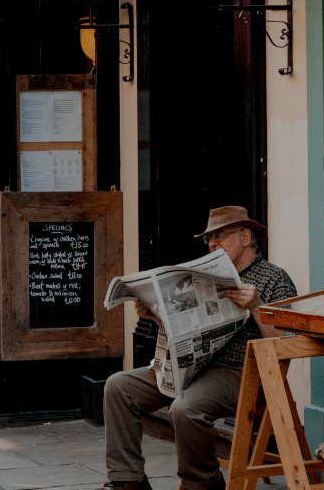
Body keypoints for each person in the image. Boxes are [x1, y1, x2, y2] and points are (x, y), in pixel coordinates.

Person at [100, 206, 297, 490]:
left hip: (239, 373)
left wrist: (256, 306)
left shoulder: (275, 278)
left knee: (185, 408)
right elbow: (186, 328)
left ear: (245, 237)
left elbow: (286, 342)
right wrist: (154, 316)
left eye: (220, 236)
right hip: (190, 367)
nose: (212, 243)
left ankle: (202, 484)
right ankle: (127, 481)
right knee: (118, 386)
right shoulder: (202, 275)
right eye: (209, 239)